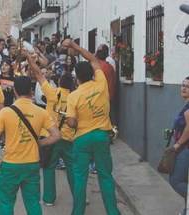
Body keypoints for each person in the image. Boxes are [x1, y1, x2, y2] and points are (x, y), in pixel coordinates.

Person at [61, 39, 120, 215]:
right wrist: (75, 46)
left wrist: (75, 120)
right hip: (102, 136)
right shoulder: (101, 83)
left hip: (82, 139)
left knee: (80, 179)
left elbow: (71, 122)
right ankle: (113, 212)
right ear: (92, 74)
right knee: (105, 177)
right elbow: (93, 60)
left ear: (76, 78)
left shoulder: (74, 96)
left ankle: (77, 212)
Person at [0, 76, 61, 215]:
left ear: (15, 91)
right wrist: (40, 142)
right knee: (33, 203)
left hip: (10, 165)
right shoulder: (41, 112)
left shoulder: (5, 112)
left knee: (5, 203)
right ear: (31, 91)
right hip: (32, 164)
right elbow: (57, 135)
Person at [29, 51, 76, 206]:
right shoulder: (75, 98)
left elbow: (38, 74)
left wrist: (30, 59)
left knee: (49, 168)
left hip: (51, 137)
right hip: (68, 139)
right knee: (72, 169)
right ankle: (79, 195)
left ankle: (49, 199)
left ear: (60, 82)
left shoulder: (52, 93)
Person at [169, 76, 189, 215]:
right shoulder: (186, 105)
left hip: (185, 148)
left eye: (187, 86)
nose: (183, 88)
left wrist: (178, 144)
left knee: (176, 181)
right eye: (182, 85)